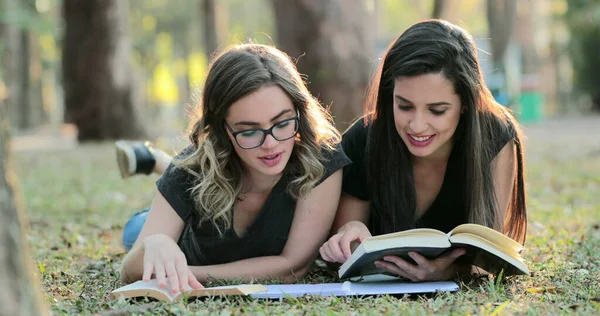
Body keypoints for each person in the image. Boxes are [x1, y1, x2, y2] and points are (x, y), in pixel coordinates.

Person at [119, 43, 351, 294]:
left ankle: (157, 162)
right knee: (136, 232)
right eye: (249, 131)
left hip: (192, 247)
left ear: (299, 111)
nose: (271, 144)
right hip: (182, 230)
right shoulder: (190, 170)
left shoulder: (321, 156)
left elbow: (292, 268)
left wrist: (184, 273)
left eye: (282, 122)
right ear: (222, 130)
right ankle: (161, 165)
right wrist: (155, 243)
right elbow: (129, 270)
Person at [319, 20, 527, 282]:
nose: (417, 126)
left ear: (465, 103)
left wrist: (448, 271)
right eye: (404, 106)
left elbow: (491, 254)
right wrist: (350, 231)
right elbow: (346, 250)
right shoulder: (364, 138)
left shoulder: (494, 137)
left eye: (437, 110)